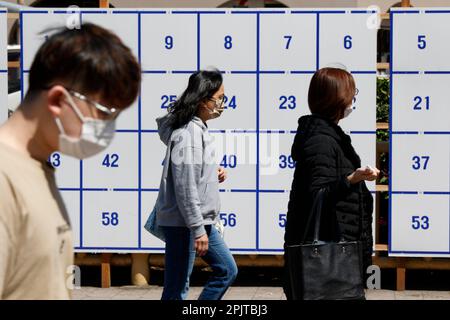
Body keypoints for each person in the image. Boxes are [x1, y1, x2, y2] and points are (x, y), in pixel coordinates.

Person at [0, 23, 141, 299]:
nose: (107, 127)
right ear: (57, 100)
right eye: (104, 113)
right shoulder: (4, 178)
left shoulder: (37, 166)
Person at [283, 67, 380, 300]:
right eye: (352, 92)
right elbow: (317, 194)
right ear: (336, 97)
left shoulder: (329, 135)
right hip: (329, 253)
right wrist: (351, 179)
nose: (354, 98)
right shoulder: (321, 140)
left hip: (338, 248)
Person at [154, 69, 238, 300]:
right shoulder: (189, 134)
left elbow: (192, 174)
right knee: (176, 289)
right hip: (187, 224)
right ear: (203, 100)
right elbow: (185, 187)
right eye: (219, 98)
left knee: (226, 270)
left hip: (198, 222)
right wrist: (197, 229)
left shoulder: (196, 129)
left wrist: (212, 171)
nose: (222, 103)